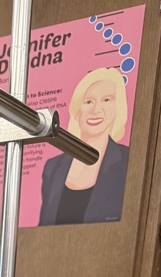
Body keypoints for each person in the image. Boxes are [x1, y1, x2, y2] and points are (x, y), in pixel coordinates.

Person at [39, 67, 130, 226]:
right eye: (88, 102)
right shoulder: (52, 168)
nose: (96, 110)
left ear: (117, 108)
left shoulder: (128, 161)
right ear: (78, 109)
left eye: (107, 100)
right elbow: (43, 228)